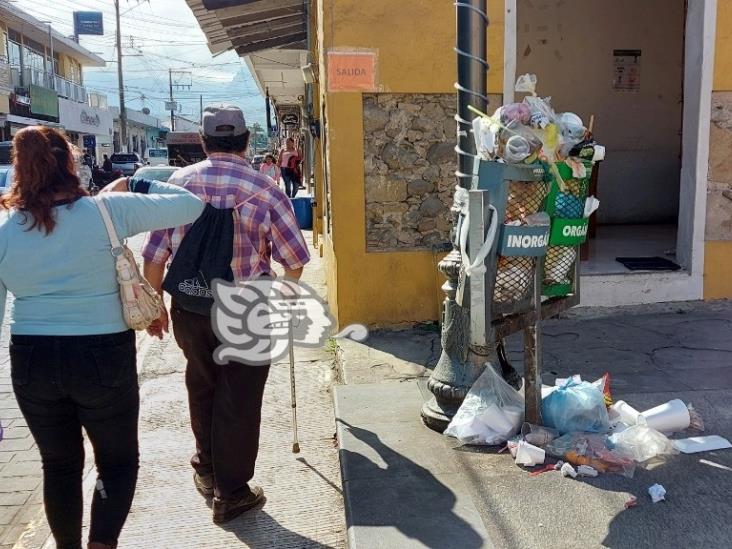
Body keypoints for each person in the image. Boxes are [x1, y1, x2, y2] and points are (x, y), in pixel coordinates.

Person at [0, 126, 204, 549]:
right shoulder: (109, 210)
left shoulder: (6, 231)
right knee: (116, 462)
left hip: (31, 357)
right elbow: (191, 204)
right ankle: (101, 545)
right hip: (101, 355)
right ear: (70, 163)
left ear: (20, 171)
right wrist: (136, 180)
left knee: (58, 466)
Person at [142, 106, 310, 524]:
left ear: (203, 141)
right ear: (246, 140)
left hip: (191, 308)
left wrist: (155, 307)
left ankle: (207, 468)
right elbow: (294, 258)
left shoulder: (177, 184)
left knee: (202, 384)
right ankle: (231, 493)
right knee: (239, 397)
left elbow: (153, 257)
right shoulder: (265, 187)